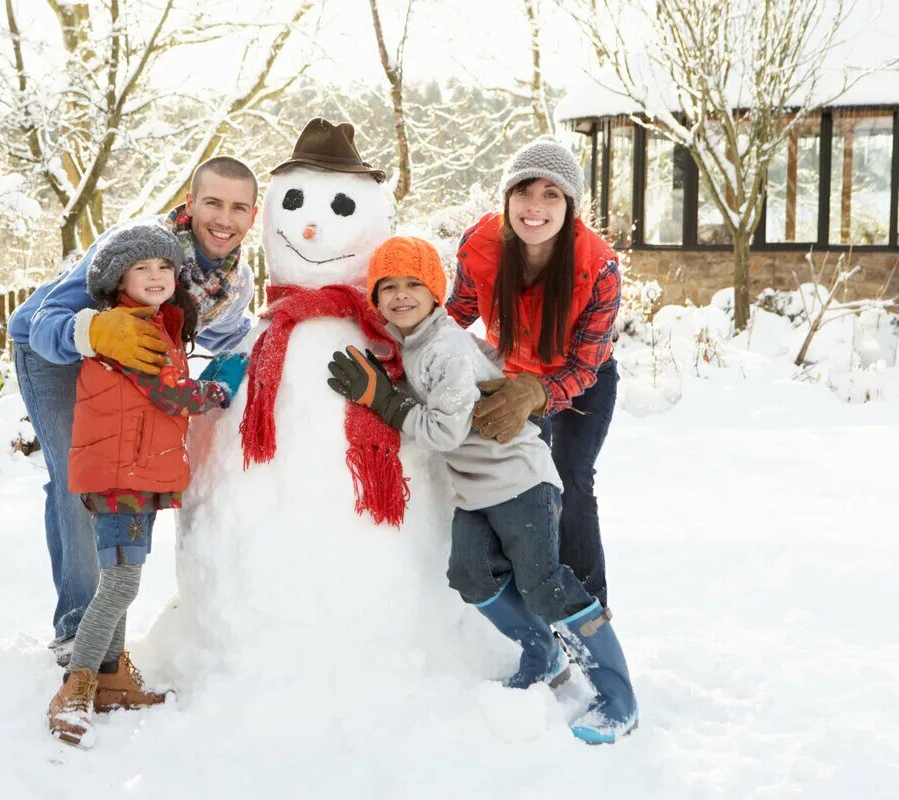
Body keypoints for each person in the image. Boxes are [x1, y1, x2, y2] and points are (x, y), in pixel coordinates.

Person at [326, 236, 637, 744]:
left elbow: (444, 431)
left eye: (414, 285)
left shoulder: (445, 348)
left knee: (544, 584)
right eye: (388, 287)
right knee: (470, 574)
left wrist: (383, 400)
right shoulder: (416, 342)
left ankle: (617, 696)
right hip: (473, 488)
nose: (401, 296)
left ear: (435, 293)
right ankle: (543, 653)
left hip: (518, 479)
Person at [8, 157, 259, 666]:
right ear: (191, 203)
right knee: (81, 480)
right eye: (212, 203)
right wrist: (94, 331)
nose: (223, 219)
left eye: (238, 208)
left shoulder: (233, 285)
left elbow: (232, 337)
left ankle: (109, 629)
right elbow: (42, 320)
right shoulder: (137, 244)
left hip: (134, 366)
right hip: (56, 352)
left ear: (253, 217)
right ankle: (77, 632)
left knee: (126, 477)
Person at [46, 224, 249, 747]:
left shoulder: (152, 322)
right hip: (120, 474)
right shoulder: (130, 329)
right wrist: (220, 386)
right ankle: (76, 688)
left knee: (123, 579)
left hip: (132, 469)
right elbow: (171, 396)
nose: (157, 276)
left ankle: (111, 679)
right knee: (120, 584)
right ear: (120, 278)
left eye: (164, 267)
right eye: (143, 269)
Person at [447, 136, 622, 608]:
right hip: (514, 377)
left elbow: (586, 365)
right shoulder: (480, 247)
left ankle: (587, 608)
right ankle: (524, 599)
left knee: (571, 476)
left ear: (570, 205)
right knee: (522, 482)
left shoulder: (598, 266)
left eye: (551, 194)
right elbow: (455, 315)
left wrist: (534, 393)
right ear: (507, 198)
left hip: (583, 382)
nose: (535, 206)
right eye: (524, 191)